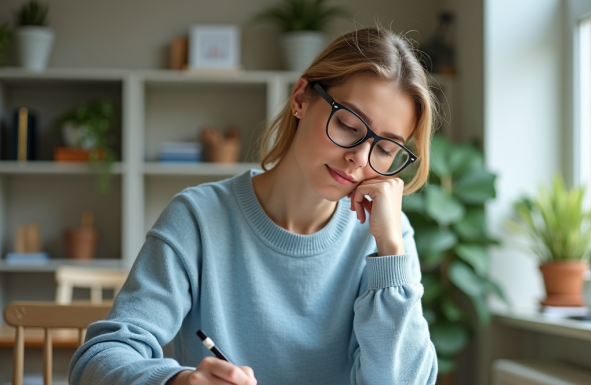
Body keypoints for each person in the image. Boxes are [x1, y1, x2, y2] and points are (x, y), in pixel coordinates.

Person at [69, 26, 439, 385]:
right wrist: (179, 381)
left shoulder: (387, 237)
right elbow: (97, 360)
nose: (360, 157)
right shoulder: (196, 219)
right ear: (300, 99)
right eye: (347, 124)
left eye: (387, 149)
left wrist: (390, 252)